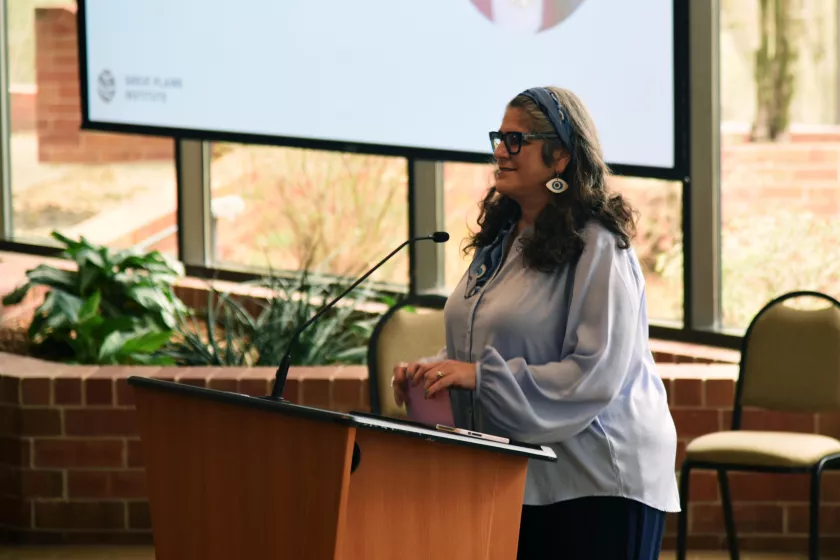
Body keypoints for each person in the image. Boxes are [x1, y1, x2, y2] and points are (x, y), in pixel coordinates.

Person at [391, 86, 680, 559]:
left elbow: (595, 371)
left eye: (516, 140)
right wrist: (437, 371)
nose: (500, 152)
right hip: (524, 473)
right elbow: (490, 342)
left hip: (599, 478)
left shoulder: (598, 245)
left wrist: (480, 377)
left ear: (560, 156)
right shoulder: (503, 241)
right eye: (498, 139)